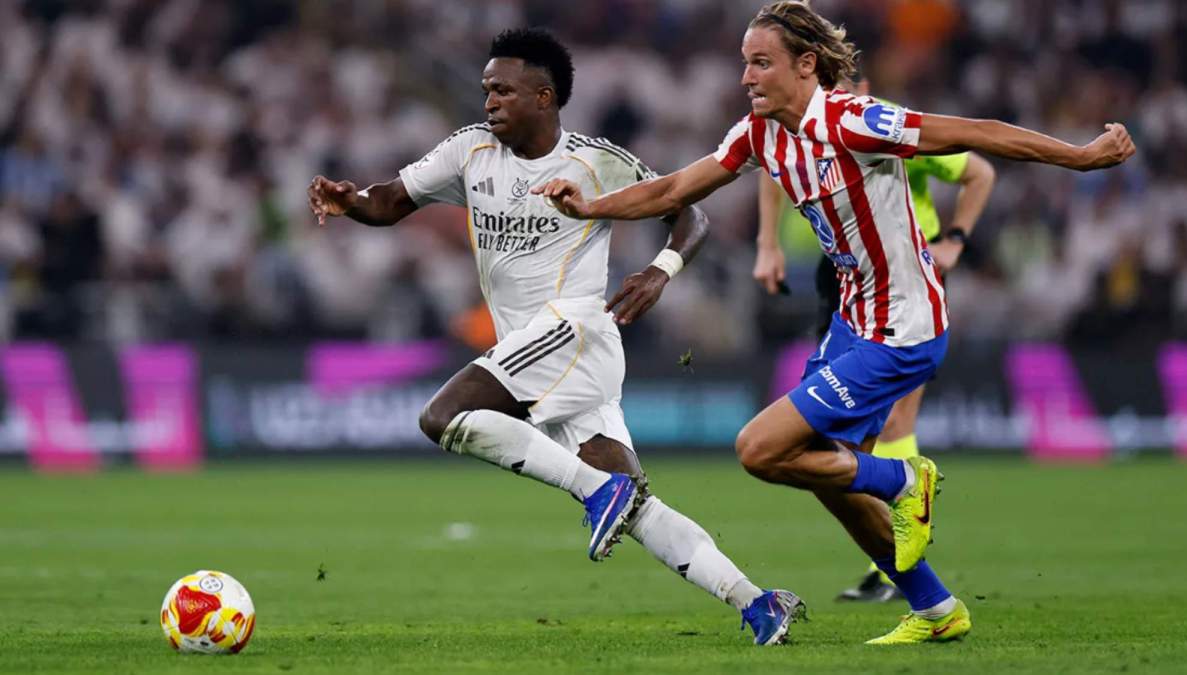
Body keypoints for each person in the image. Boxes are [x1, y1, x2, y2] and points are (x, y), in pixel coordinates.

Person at [534, 0, 1134, 644]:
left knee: (760, 449)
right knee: (828, 475)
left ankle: (905, 479)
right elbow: (673, 190)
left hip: (904, 328)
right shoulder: (760, 134)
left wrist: (1079, 156)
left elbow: (975, 132)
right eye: (745, 63)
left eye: (761, 63)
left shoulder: (854, 120)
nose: (747, 77)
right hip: (853, 323)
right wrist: (591, 206)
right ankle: (936, 609)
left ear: (806, 64)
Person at [307, 28, 803, 646]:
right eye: (486, 89)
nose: (489, 101)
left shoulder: (596, 162)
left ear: (543, 97)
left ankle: (597, 490)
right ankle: (759, 603)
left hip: (573, 332)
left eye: (503, 91)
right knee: (637, 505)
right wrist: (351, 200)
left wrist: (660, 270)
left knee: (442, 417)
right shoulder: (469, 150)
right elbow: (390, 202)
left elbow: (689, 212)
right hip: (541, 355)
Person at [754, 72, 996, 603]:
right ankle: (912, 581)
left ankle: (893, 555)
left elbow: (978, 169)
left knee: (895, 423)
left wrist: (955, 240)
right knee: (834, 449)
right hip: (845, 275)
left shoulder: (884, 125)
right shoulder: (799, 126)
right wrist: (768, 242)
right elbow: (771, 163)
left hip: (907, 284)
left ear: (862, 84)